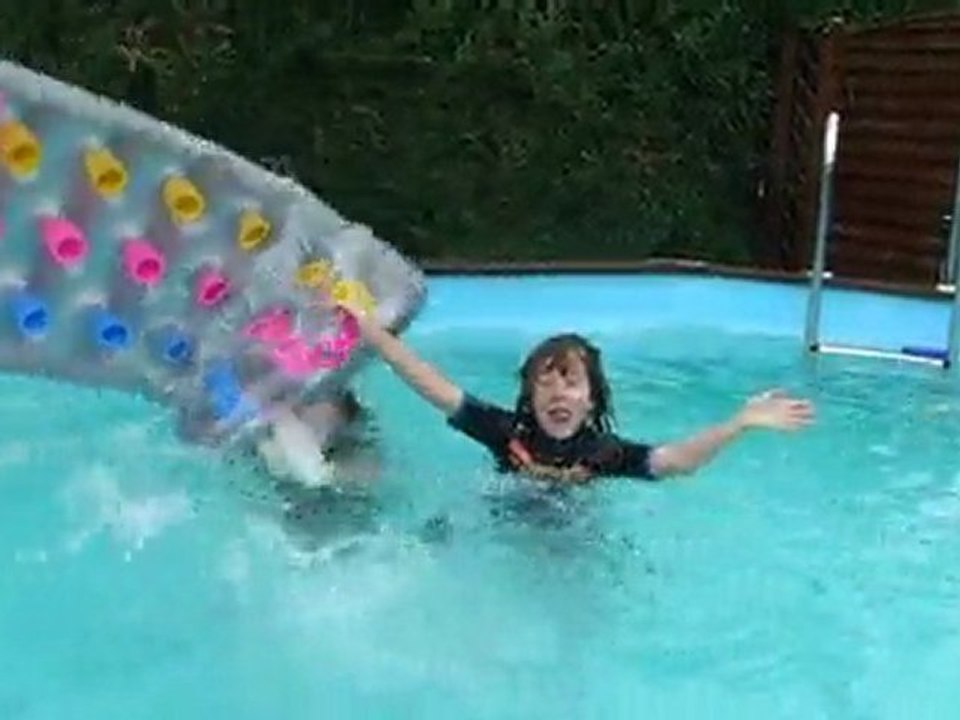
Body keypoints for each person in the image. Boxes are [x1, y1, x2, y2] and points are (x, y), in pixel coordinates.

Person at [328, 298, 815, 483]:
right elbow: (431, 385)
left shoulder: (603, 453)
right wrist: (369, 331)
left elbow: (677, 461)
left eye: (571, 382)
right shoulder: (506, 431)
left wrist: (739, 424)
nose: (558, 392)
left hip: (571, 541)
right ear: (529, 396)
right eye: (546, 381)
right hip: (503, 524)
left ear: (591, 400)